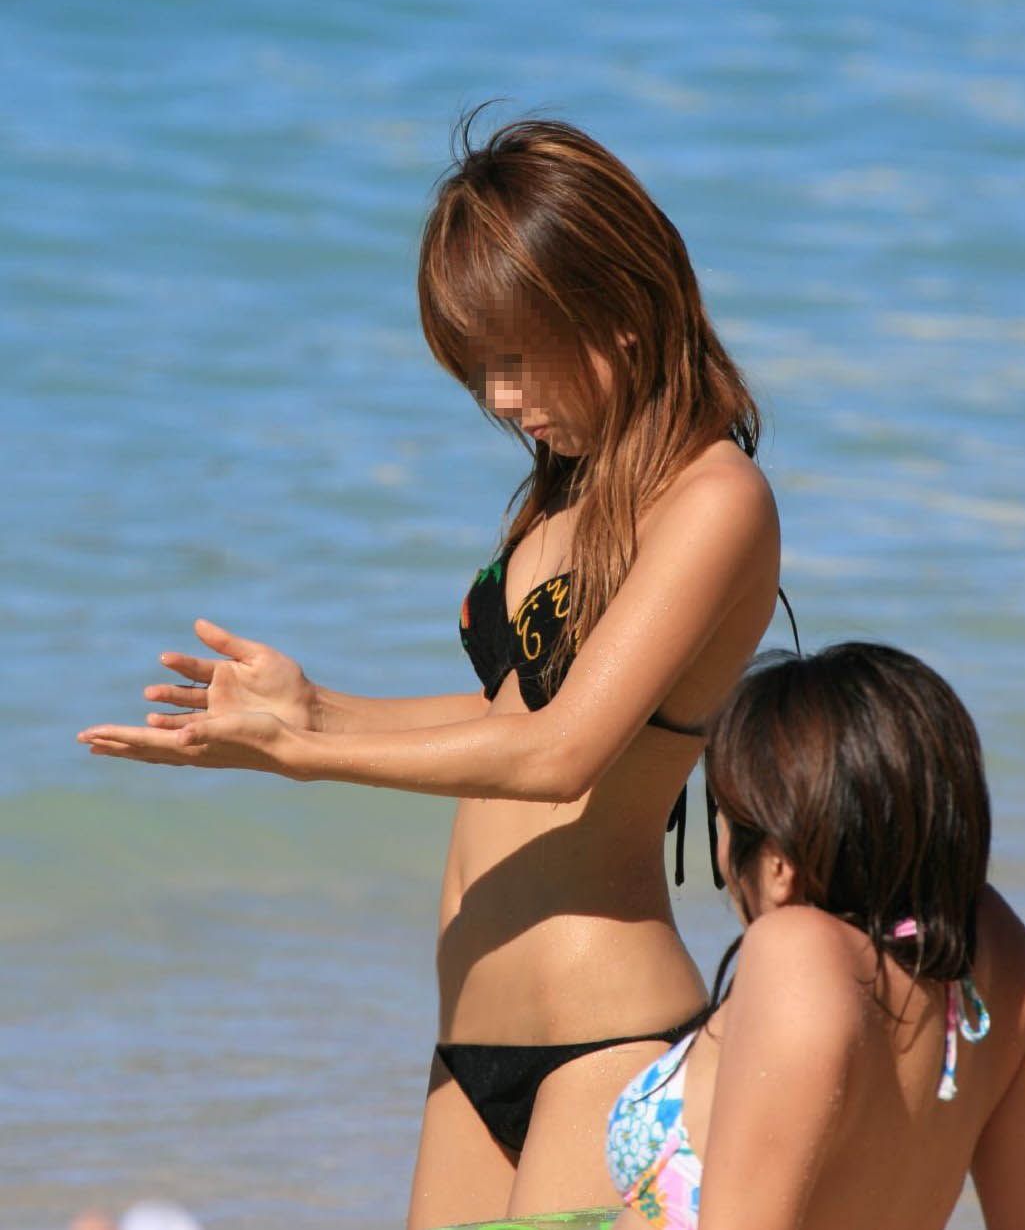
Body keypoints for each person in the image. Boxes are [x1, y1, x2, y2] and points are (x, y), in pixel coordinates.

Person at [77, 111, 784, 1228]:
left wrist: (307, 757)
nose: (500, 398)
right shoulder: (565, 492)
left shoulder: (715, 499)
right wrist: (315, 708)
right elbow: (508, 713)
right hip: (468, 1042)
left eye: (516, 356)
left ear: (614, 305)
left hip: (602, 1041)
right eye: (477, 368)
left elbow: (560, 754)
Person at [605, 643, 1025, 1230]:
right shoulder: (1008, 954)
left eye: (723, 820)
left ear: (778, 863)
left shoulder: (795, 954)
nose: (722, 854)